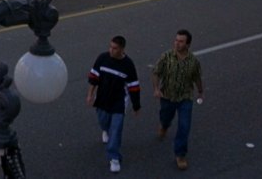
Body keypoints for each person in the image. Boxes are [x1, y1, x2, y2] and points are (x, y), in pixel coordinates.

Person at [87, 35, 141, 174]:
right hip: (103, 99)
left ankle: (114, 158)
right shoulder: (102, 58)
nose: (111, 50)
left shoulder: (128, 65)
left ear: (122, 49)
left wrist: (136, 105)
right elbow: (94, 77)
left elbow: (133, 86)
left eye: (114, 48)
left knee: (116, 130)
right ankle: (105, 129)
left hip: (119, 102)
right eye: (110, 47)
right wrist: (90, 94)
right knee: (103, 121)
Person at [152, 29, 204, 171]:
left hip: (185, 98)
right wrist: (156, 88)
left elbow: (197, 77)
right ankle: (164, 125)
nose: (177, 43)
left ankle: (180, 154)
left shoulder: (193, 61)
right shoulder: (166, 57)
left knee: (184, 126)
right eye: (176, 40)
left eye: (181, 41)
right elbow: (156, 72)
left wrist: (200, 91)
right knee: (165, 116)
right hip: (167, 97)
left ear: (188, 44)